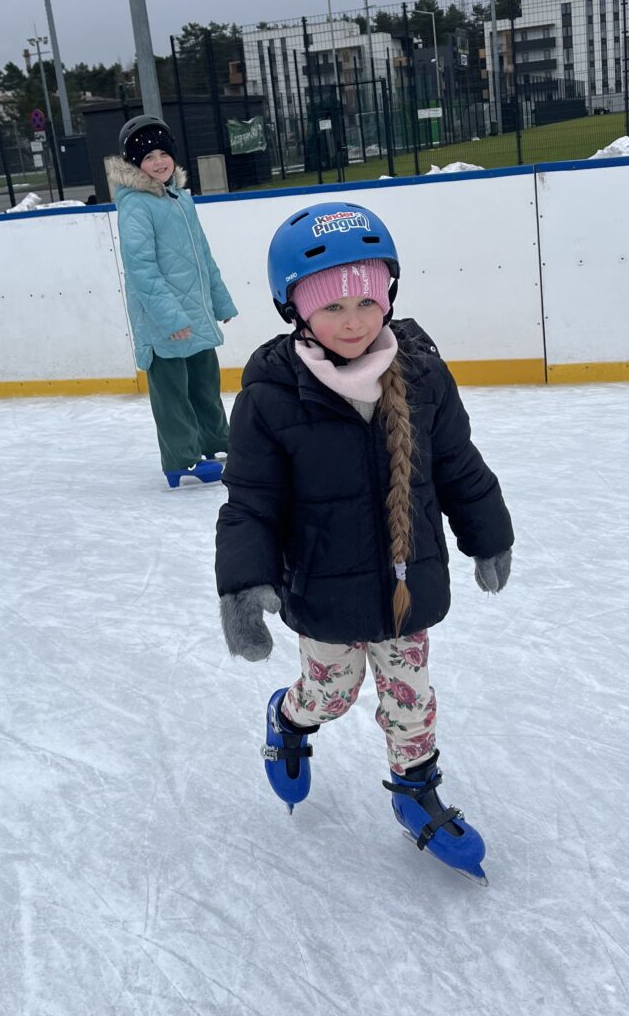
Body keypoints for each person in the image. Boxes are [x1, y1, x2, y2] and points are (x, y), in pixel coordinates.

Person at [215, 201, 513, 882]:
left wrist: (488, 536)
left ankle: (415, 789)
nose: (352, 321)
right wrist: (243, 584)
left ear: (388, 298)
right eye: (331, 307)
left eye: (366, 302)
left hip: (408, 583)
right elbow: (252, 501)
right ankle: (289, 718)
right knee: (333, 694)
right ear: (295, 310)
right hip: (323, 588)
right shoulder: (271, 395)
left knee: (411, 695)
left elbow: (458, 465)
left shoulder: (423, 376)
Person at [107, 116, 238, 488]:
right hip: (162, 320)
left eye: (163, 153)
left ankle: (216, 443)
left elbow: (202, 256)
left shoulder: (180, 199)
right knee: (172, 393)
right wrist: (170, 318)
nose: (159, 162)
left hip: (196, 313)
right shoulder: (135, 205)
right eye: (148, 157)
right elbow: (141, 269)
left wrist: (220, 302)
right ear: (135, 164)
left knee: (204, 384)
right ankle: (182, 458)